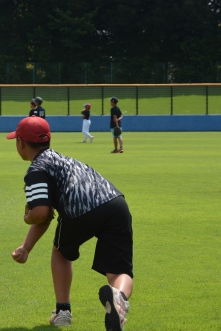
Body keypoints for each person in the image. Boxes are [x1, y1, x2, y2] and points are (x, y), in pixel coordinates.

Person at [7, 116, 133, 330]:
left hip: (80, 209)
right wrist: (26, 247)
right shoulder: (62, 159)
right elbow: (46, 214)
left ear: (21, 143)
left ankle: (63, 311)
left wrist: (27, 216)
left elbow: (40, 214)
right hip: (116, 204)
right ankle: (119, 297)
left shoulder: (37, 170)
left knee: (61, 252)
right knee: (118, 269)